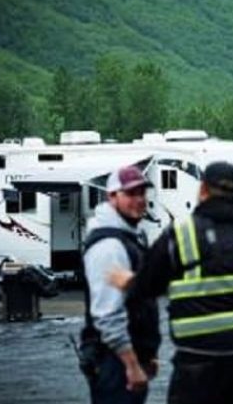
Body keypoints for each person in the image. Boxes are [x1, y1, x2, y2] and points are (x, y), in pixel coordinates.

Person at [108, 161, 233, 404]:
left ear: (202, 190)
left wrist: (128, 283)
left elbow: (147, 288)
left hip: (197, 366)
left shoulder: (180, 233)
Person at [80, 165, 161, 404]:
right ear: (111, 196)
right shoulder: (110, 246)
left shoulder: (126, 238)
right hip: (114, 362)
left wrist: (148, 355)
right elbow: (108, 315)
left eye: (142, 193)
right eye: (130, 194)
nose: (139, 200)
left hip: (126, 358)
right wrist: (132, 364)